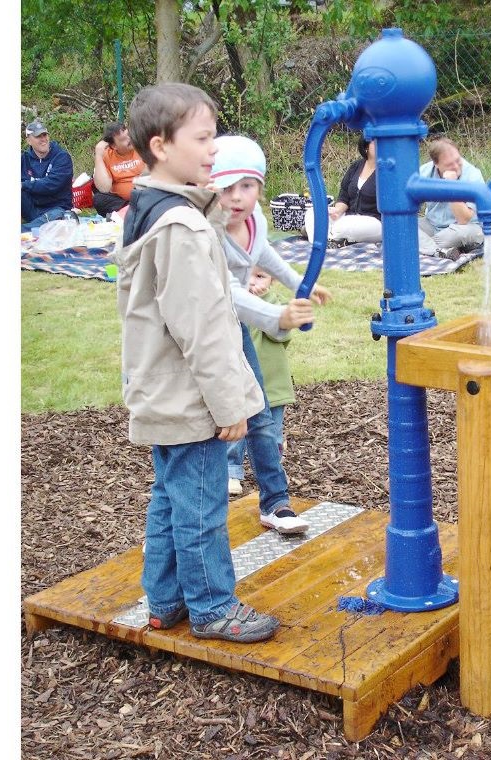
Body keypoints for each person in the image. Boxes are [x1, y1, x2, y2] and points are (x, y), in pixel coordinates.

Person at [109, 82, 279, 644]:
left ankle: (164, 601)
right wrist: (230, 406)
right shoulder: (181, 228)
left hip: (162, 389)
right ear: (161, 146)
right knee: (201, 504)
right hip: (191, 397)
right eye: (203, 139)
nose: (214, 149)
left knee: (170, 497)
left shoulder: (149, 207)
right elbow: (203, 329)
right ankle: (212, 607)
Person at [209, 134, 332, 534]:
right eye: (226, 187)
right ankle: (188, 523)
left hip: (235, 326)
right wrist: (278, 316)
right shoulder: (206, 232)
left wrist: (300, 284)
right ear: (211, 190)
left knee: (259, 412)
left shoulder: (255, 220)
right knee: (208, 424)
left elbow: (263, 253)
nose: (236, 196)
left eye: (247, 186)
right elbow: (228, 293)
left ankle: (276, 503)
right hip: (203, 334)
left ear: (260, 189)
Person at [226, 267, 296, 484]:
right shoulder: (233, 303)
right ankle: (232, 471)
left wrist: (262, 308)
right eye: (247, 275)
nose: (252, 282)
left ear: (273, 280)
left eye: (260, 276)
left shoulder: (278, 306)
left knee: (271, 433)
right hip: (241, 383)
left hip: (272, 385)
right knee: (236, 432)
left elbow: (281, 336)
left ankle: (272, 473)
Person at [303, 136, 381, 246]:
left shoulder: (387, 172)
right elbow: (344, 195)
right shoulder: (356, 166)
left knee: (345, 225)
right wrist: (337, 211)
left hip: (375, 222)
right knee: (313, 213)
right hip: (349, 215)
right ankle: (321, 243)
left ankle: (323, 237)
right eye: (376, 142)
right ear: (366, 146)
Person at [417, 137, 486, 261]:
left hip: (466, 228)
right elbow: (410, 203)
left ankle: (424, 247)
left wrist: (451, 185)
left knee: (455, 235)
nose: (456, 166)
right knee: (402, 227)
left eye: (458, 160)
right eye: (449, 164)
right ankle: (440, 251)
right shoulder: (424, 172)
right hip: (432, 224)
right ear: (436, 164)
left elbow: (463, 219)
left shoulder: (473, 175)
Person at [21, 119, 74, 232]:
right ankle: (35, 226)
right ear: (29, 141)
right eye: (38, 136)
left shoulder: (62, 157)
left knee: (58, 216)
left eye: (45, 135)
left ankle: (25, 230)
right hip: (31, 208)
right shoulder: (23, 159)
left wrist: (24, 185)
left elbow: (51, 185)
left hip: (56, 208)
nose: (43, 139)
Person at [92, 122, 146, 216]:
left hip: (144, 193)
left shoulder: (142, 147)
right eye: (124, 139)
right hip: (122, 202)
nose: (130, 139)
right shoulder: (107, 155)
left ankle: (134, 211)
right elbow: (104, 188)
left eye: (129, 135)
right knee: (99, 199)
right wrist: (99, 156)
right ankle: (131, 210)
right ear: (114, 146)